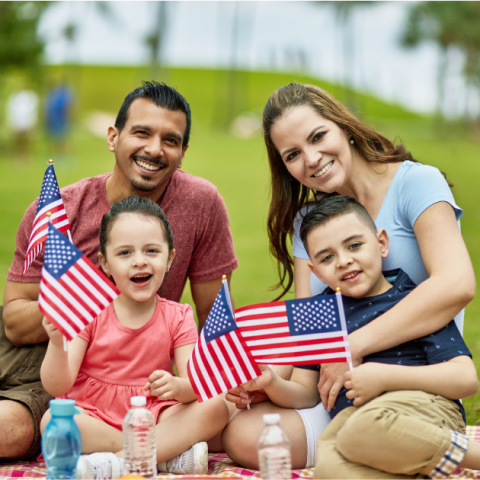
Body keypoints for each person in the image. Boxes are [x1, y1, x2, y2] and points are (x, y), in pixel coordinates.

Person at [222, 81, 475, 468]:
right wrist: (270, 383)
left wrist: (352, 348)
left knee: (360, 435)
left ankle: (427, 450)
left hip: (415, 381)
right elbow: (310, 339)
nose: (311, 158)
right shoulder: (309, 223)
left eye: (318, 136)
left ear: (344, 126)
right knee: (244, 433)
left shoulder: (414, 183)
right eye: (292, 154)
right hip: (339, 397)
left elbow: (456, 284)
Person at [1, 81, 238, 461]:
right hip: (49, 351)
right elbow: (13, 322)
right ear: (113, 137)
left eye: (170, 140)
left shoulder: (201, 203)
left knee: (224, 407)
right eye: (141, 132)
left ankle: (137, 450)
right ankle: (153, 451)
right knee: (15, 428)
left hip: (146, 369)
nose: (154, 149)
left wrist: (196, 385)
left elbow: (214, 319)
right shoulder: (61, 209)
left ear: (183, 152)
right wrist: (79, 300)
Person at [236, 195, 478, 479]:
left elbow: (465, 380)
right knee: (329, 468)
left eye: (354, 245)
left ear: (382, 243)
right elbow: (306, 392)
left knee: (359, 430)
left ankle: (470, 456)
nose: (344, 261)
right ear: (316, 272)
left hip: (421, 410)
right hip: (354, 423)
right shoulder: (319, 315)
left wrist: (383, 377)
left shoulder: (413, 303)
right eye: (327, 257)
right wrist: (272, 382)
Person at [40, 196, 229, 479]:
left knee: (216, 407)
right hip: (96, 415)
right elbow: (59, 385)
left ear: (170, 258)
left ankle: (115, 463)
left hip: (152, 412)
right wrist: (57, 343)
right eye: (125, 253)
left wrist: (178, 387)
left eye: (151, 250)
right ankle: (159, 455)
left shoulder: (178, 316)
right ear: (105, 262)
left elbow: (195, 385)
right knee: (52, 420)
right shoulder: (91, 312)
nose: (139, 261)